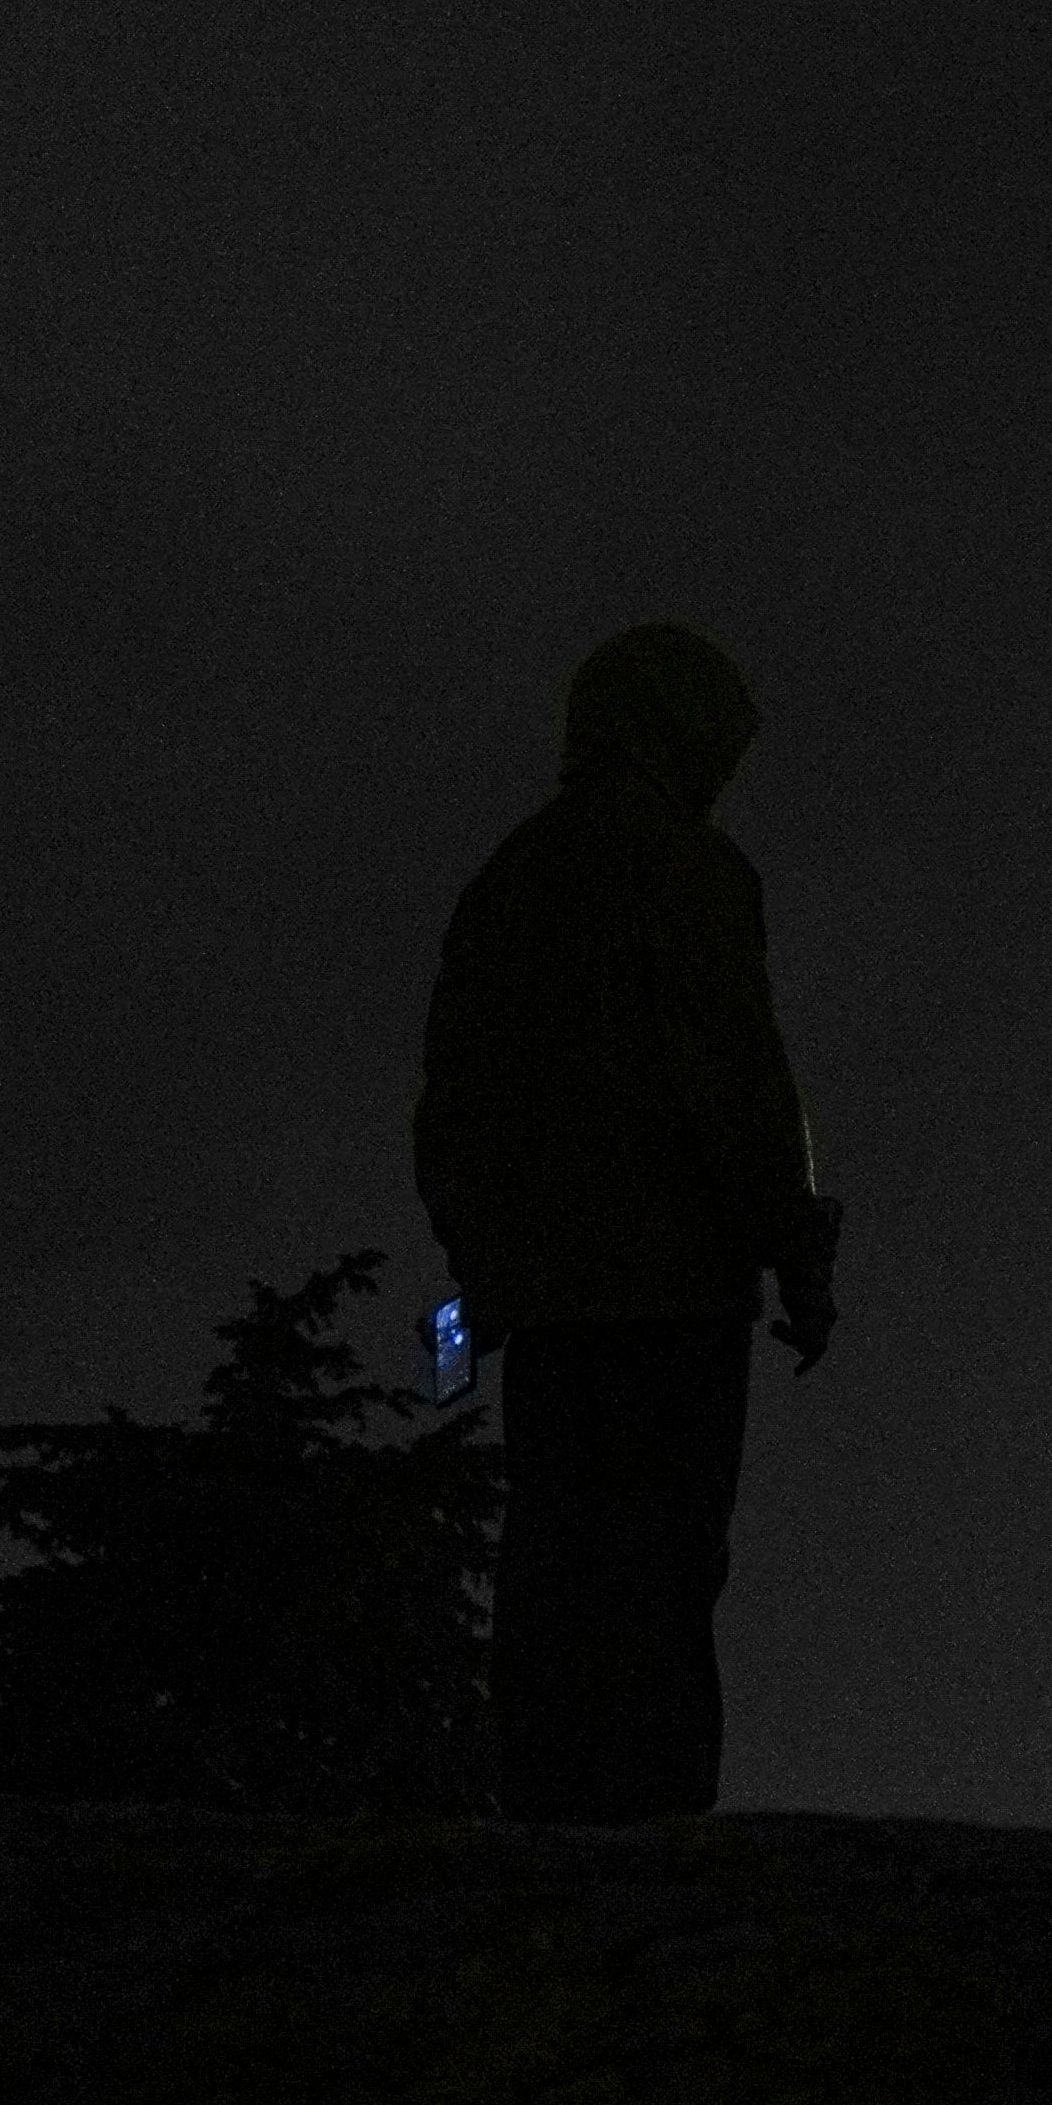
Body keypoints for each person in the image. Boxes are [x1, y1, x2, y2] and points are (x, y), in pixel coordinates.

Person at [415, 623, 834, 1819]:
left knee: (552, 1575)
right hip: (674, 1296)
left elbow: (453, 1106)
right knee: (660, 1584)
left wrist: (485, 1266)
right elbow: (736, 1080)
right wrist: (797, 1250)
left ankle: (543, 1826)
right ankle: (647, 1856)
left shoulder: (508, 879)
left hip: (547, 1309)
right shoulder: (692, 871)